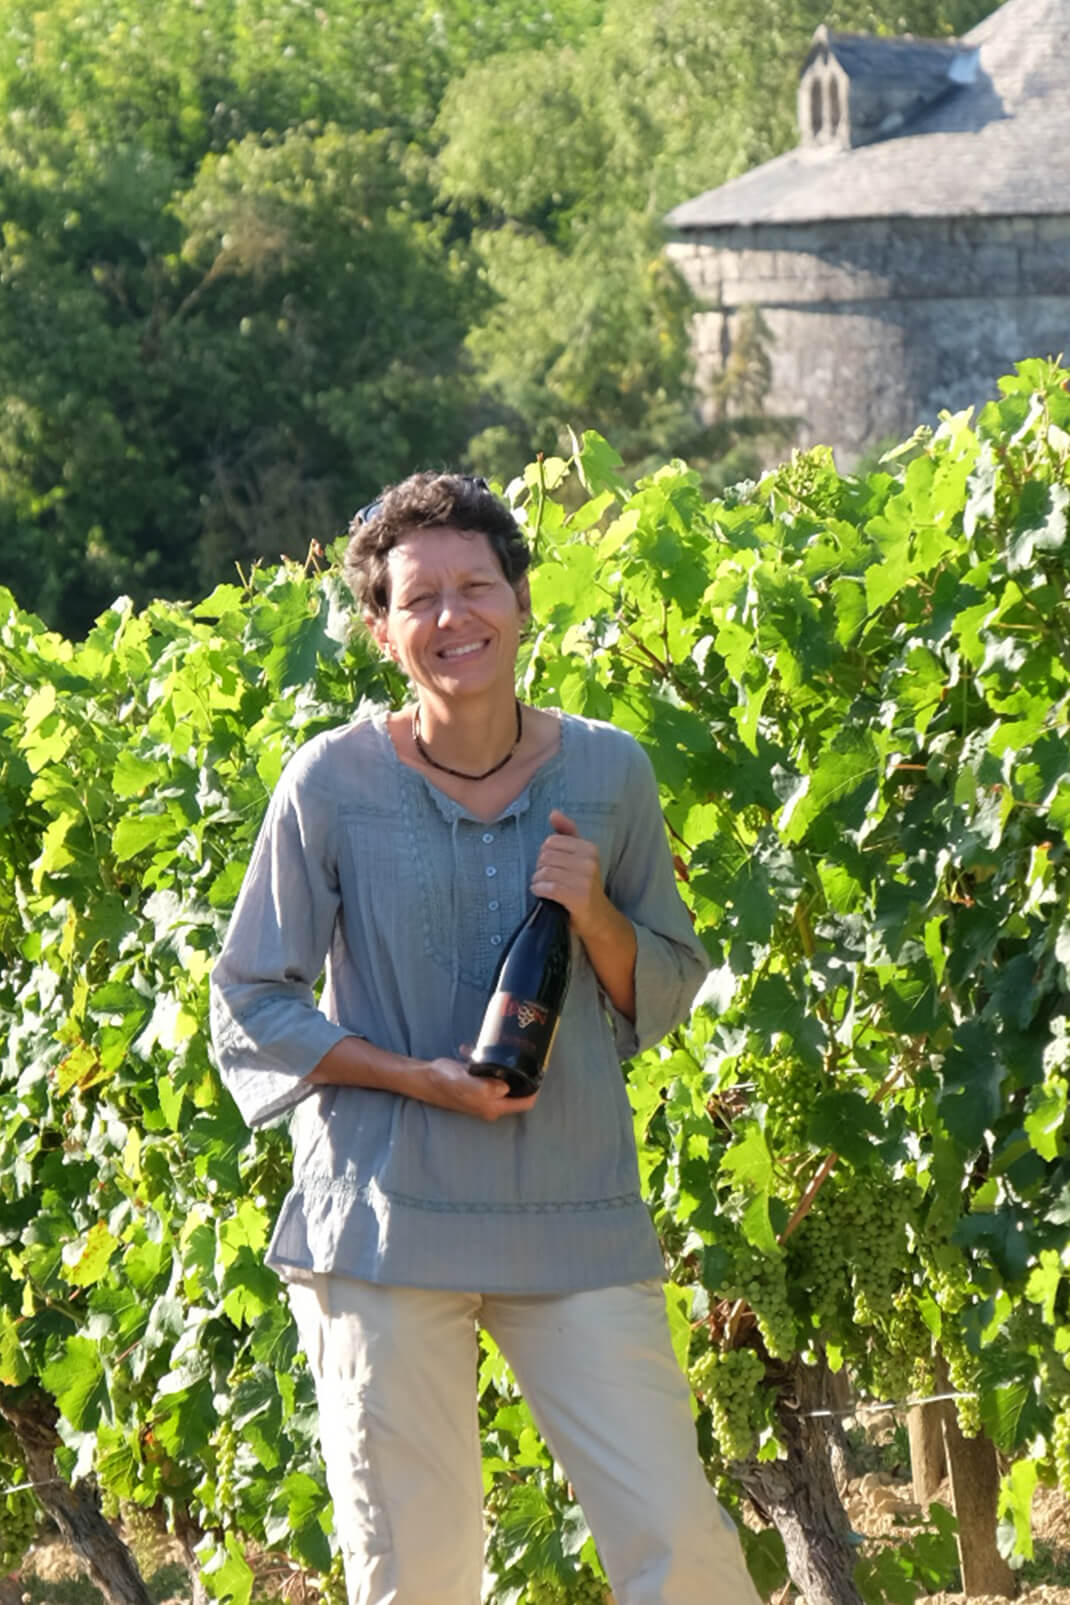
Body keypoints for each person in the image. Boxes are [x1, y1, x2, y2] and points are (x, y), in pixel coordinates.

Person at [209, 473, 761, 1605]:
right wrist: (413, 1077)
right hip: (383, 1220)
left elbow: (661, 989)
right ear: (379, 628)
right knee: (415, 1572)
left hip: (570, 1211)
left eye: (476, 587)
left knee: (681, 1547)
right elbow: (251, 1001)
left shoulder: (609, 772)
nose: (451, 617)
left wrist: (596, 910)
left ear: (520, 600)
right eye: (419, 599)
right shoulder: (330, 781)